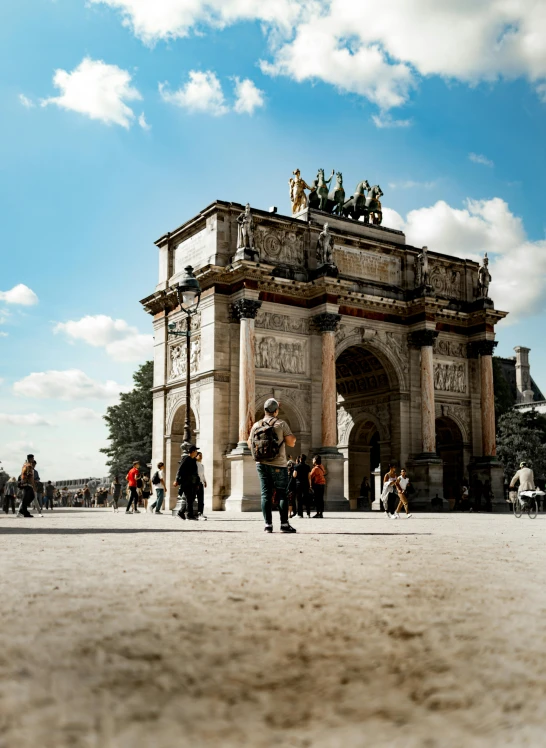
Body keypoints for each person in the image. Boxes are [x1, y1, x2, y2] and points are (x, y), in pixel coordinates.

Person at [248, 397, 297, 534]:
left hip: (261, 464)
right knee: (282, 493)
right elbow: (291, 442)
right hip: (279, 464)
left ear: (264, 410)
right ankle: (284, 524)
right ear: (276, 411)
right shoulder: (280, 424)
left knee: (265, 494)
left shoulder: (256, 425)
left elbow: (249, 443)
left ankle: (268, 525)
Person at [174, 446, 199, 521]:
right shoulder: (186, 459)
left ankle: (181, 512)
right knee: (189, 498)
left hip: (193, 482)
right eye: (196, 451)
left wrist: (197, 482)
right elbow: (180, 469)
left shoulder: (194, 460)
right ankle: (189, 515)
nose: (197, 452)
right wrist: (176, 480)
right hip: (186, 482)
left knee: (191, 498)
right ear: (192, 451)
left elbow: (195, 472)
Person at [18, 453, 36, 518]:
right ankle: (23, 511)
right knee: (30, 497)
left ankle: (23, 511)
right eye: (33, 458)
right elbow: (29, 475)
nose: (33, 459)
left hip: (24, 483)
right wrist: (33, 485)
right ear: (30, 459)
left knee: (26, 498)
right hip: (27, 483)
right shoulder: (29, 466)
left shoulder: (24, 465)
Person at [196, 452, 207, 520]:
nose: (201, 457)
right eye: (199, 455)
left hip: (201, 483)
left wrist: (205, 481)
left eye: (201, 455)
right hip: (196, 483)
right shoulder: (195, 464)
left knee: (201, 499)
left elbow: (202, 475)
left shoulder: (202, 465)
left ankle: (200, 513)